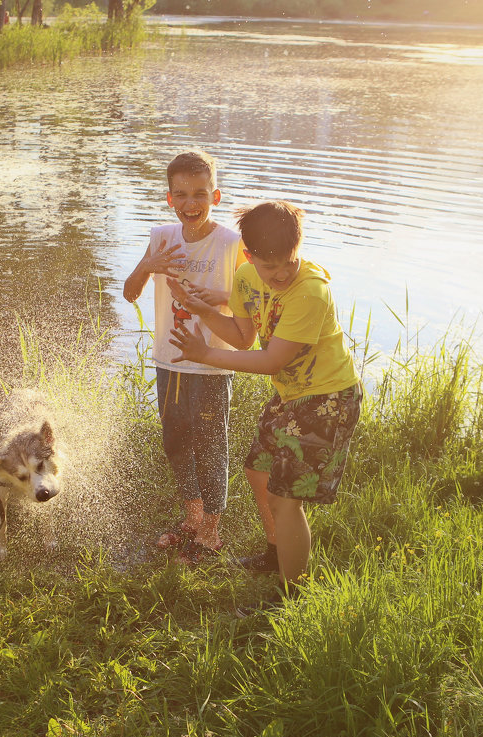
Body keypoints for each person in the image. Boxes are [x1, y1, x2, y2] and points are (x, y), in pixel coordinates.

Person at [169, 201, 363, 598]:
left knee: (285, 498)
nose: (279, 275)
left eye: (287, 263)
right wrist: (199, 307)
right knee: (258, 471)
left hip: (328, 398)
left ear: (298, 248)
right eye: (268, 266)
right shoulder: (245, 277)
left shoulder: (310, 290)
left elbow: (272, 359)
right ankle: (277, 553)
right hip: (291, 396)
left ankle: (290, 593)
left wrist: (206, 355)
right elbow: (243, 337)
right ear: (250, 256)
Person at [122, 150, 245, 564]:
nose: (191, 203)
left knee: (211, 443)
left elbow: (257, 299)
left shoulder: (231, 243)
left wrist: (217, 298)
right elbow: (130, 291)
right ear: (169, 198)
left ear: (216, 196)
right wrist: (149, 265)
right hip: (168, 361)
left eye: (200, 194)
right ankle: (191, 518)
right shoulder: (161, 238)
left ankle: (211, 531)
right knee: (175, 440)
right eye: (181, 195)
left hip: (212, 362)